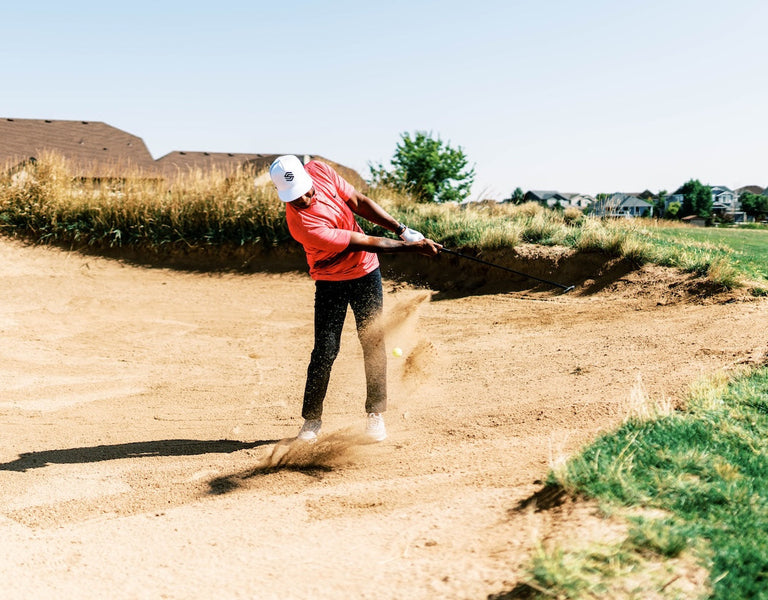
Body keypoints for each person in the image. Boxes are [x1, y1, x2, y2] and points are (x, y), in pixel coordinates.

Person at [267, 154, 442, 442]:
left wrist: (402, 230)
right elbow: (366, 242)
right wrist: (413, 248)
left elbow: (359, 202)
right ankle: (312, 420)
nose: (305, 198)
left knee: (373, 341)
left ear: (307, 176)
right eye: (295, 197)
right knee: (325, 351)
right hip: (330, 281)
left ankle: (375, 414)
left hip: (365, 273)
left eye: (306, 190)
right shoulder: (302, 225)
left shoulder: (319, 170)